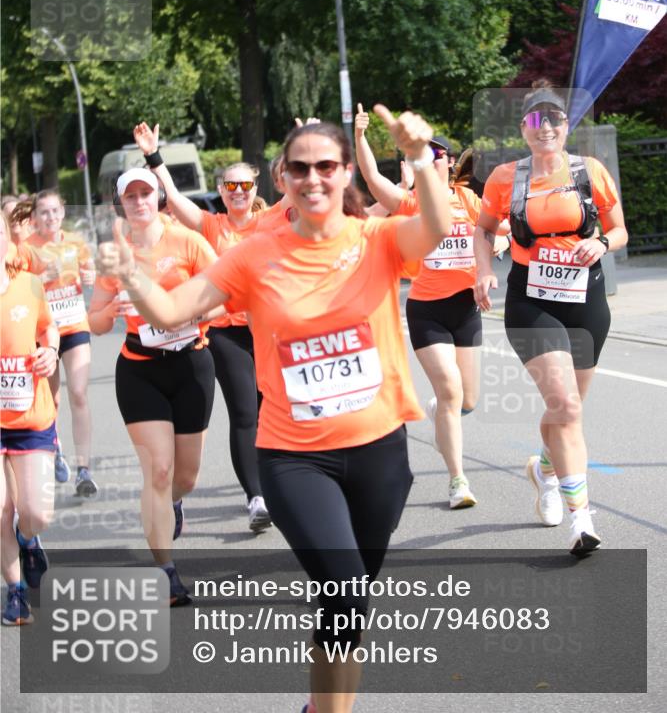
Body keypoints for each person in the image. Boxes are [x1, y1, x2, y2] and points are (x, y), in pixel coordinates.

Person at [97, 107, 451, 713]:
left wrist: (419, 158)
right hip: (295, 458)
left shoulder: (377, 238)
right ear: (281, 178)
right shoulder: (253, 255)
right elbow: (170, 312)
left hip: (379, 451)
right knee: (342, 588)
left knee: (352, 601)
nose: (314, 178)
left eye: (327, 167)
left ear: (345, 176)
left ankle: (322, 708)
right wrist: (130, 274)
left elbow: (437, 229)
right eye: (300, 168)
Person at [473, 80, 628, 556]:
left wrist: (601, 242)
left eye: (554, 119)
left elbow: (620, 228)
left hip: (586, 300)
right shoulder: (505, 177)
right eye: (536, 120)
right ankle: (582, 520)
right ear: (524, 128)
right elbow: (483, 230)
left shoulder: (589, 171)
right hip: (532, 299)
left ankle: (543, 468)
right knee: (566, 405)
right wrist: (483, 272)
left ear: (566, 127)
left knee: (567, 410)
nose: (546, 127)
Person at [354, 105, 508, 508]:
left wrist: (498, 250)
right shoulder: (410, 202)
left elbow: (500, 230)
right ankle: (458, 481)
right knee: (452, 389)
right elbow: (372, 179)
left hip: (465, 308)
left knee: (465, 400)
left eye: (436, 155)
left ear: (450, 163)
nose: (428, 160)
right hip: (427, 310)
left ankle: (444, 407)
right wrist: (359, 138)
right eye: (420, 155)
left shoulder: (469, 200)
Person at [132, 122, 274, 531]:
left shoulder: (271, 224)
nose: (238, 193)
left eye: (244, 186)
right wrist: (153, 157)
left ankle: (276, 482)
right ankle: (256, 497)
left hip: (267, 328)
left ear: (255, 186)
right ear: (222, 190)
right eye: (230, 187)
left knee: (271, 410)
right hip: (225, 331)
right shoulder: (213, 226)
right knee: (246, 411)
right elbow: (174, 200)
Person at [88, 169, 218, 604]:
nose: (140, 201)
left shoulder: (188, 242)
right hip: (140, 369)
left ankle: (175, 502)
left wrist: (192, 315)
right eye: (132, 196)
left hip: (191, 365)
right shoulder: (114, 254)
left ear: (159, 197)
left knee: (185, 477)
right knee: (157, 471)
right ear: (120, 204)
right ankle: (165, 572)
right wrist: (114, 307)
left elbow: (224, 295)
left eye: (147, 193)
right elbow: (95, 320)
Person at [15, 191, 97, 494]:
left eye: (54, 211)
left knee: (77, 393)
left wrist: (91, 277)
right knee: (52, 400)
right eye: (44, 213)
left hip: (74, 324)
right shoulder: (25, 250)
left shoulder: (75, 243)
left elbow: (91, 274)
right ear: (34, 217)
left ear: (63, 213)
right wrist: (39, 278)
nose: (50, 217)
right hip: (41, 332)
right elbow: (16, 292)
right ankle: (56, 447)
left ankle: (84, 470)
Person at [1, 210, 60, 625]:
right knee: (0, 508)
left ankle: (27, 538)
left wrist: (50, 352)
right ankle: (15, 592)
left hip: (31, 417)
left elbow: (49, 328)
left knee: (37, 511)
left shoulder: (29, 285)